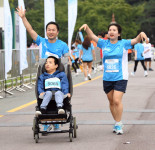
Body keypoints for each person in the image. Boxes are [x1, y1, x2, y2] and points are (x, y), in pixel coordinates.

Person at [79, 23, 148, 135]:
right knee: (111, 102)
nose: (111, 32)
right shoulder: (103, 43)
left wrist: (141, 34)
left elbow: (136, 40)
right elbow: (92, 37)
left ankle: (119, 123)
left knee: (117, 100)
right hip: (107, 77)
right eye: (110, 30)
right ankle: (116, 122)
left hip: (121, 77)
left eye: (114, 30)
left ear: (118, 33)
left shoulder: (124, 43)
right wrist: (87, 27)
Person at [16, 6, 69, 131]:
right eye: (48, 30)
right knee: (43, 97)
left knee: (57, 96)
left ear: (57, 32)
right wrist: (23, 17)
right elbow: (30, 29)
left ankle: (56, 122)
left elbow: (67, 61)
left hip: (57, 77)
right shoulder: (41, 41)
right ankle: (45, 122)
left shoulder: (62, 45)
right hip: (44, 76)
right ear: (46, 32)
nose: (50, 32)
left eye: (53, 30)